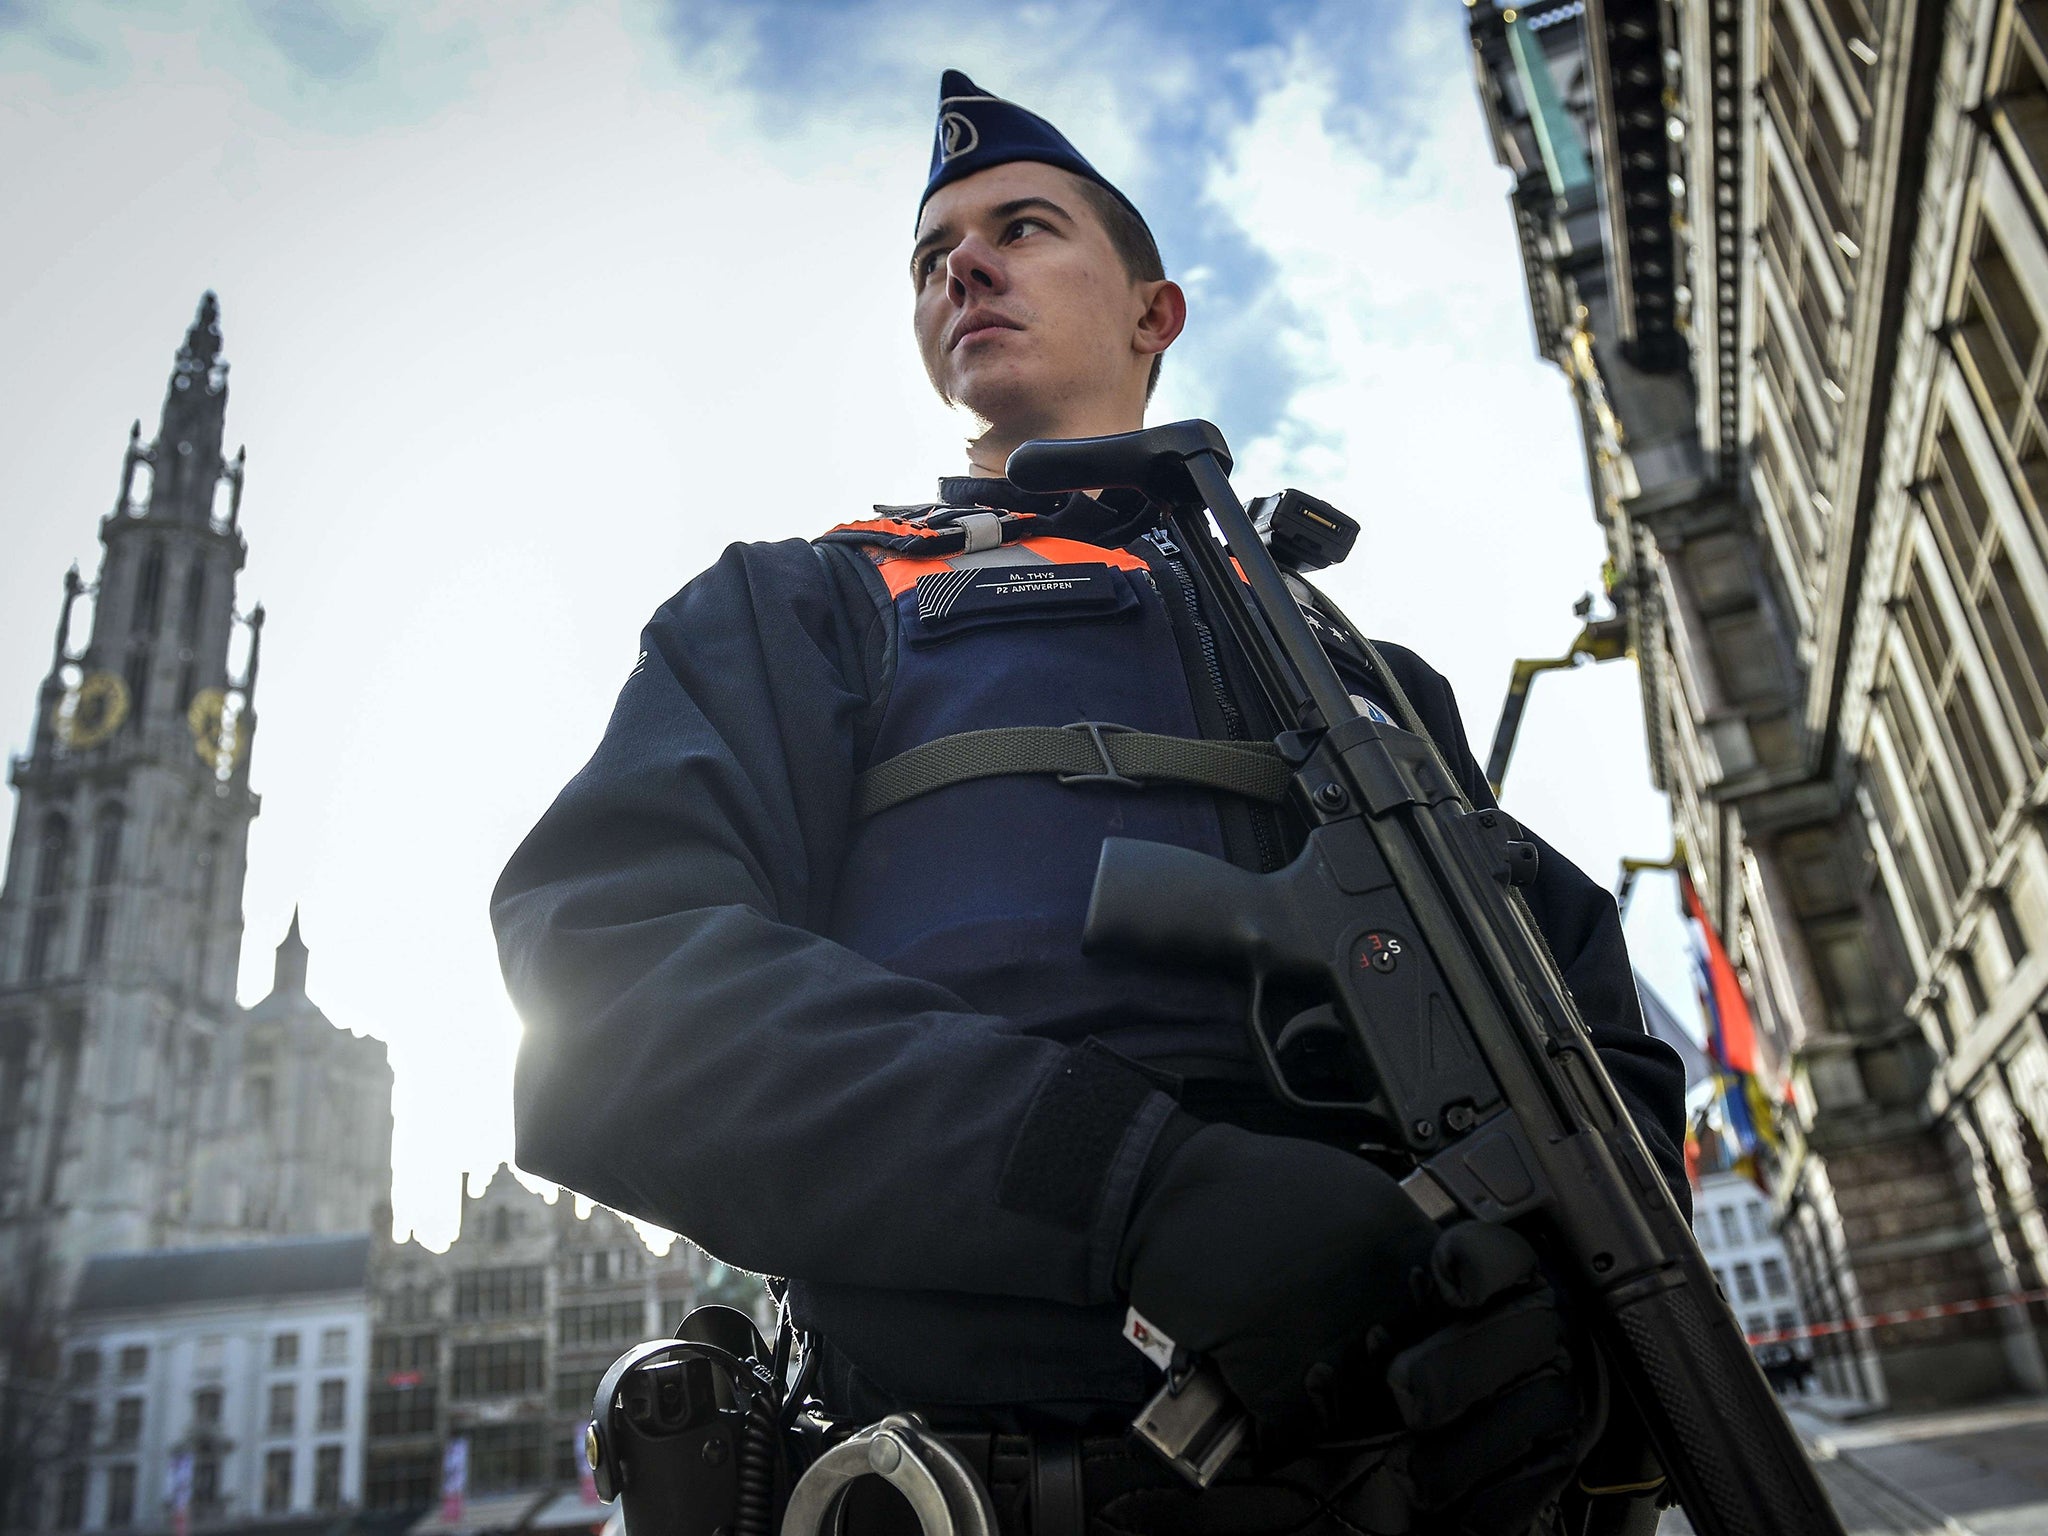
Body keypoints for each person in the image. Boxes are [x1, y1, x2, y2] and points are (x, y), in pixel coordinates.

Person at [492, 69, 1687, 1536]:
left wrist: (1555, 1311)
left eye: (1022, 227)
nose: (963, 269)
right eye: (935, 260)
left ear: (1152, 311)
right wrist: (1134, 1185)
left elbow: (1581, 1015)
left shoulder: (1371, 674)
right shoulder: (801, 603)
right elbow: (608, 992)